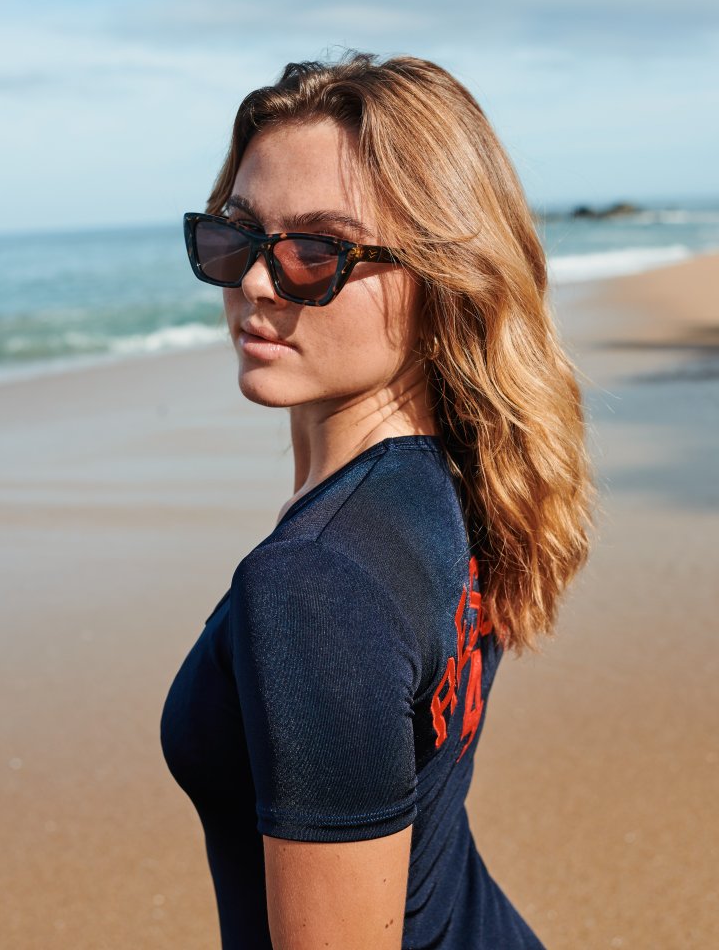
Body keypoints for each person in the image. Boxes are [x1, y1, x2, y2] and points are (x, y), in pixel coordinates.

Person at [160, 51, 594, 949]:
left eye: (317, 251)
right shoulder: (461, 478)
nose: (255, 283)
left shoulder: (318, 582)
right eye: (237, 235)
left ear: (443, 274)